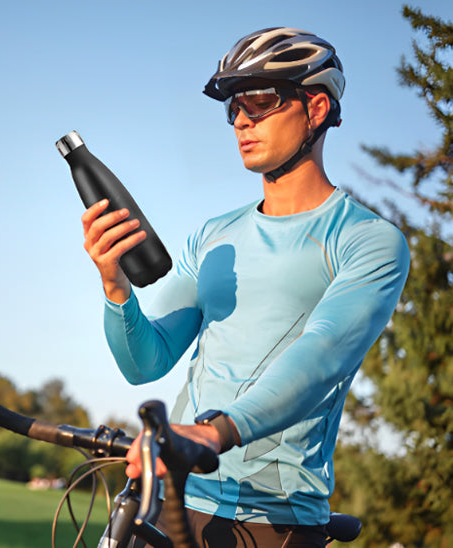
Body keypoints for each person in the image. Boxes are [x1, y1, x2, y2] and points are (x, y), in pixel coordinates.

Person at [81, 27, 410, 547]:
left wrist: (213, 431)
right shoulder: (215, 236)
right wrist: (114, 285)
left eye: (260, 100)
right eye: (234, 106)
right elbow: (145, 361)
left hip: (270, 520)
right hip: (167, 496)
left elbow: (320, 358)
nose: (240, 119)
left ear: (317, 108)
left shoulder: (368, 240)